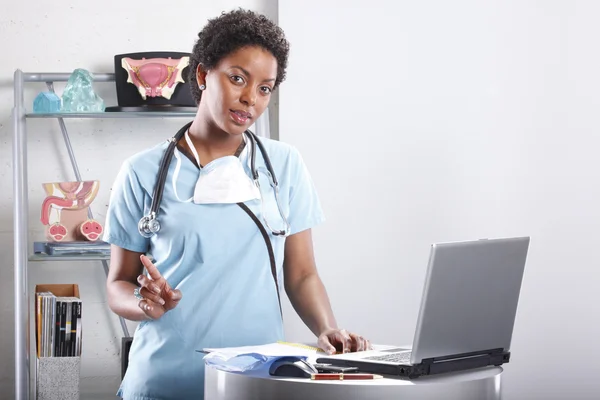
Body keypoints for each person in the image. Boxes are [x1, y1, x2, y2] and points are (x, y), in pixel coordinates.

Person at [104, 8, 371, 400]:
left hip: (256, 383)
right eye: (237, 78)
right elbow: (117, 286)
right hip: (165, 383)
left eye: (265, 88)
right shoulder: (142, 172)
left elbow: (300, 275)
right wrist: (145, 303)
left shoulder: (284, 165)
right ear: (201, 75)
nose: (250, 98)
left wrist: (326, 328)